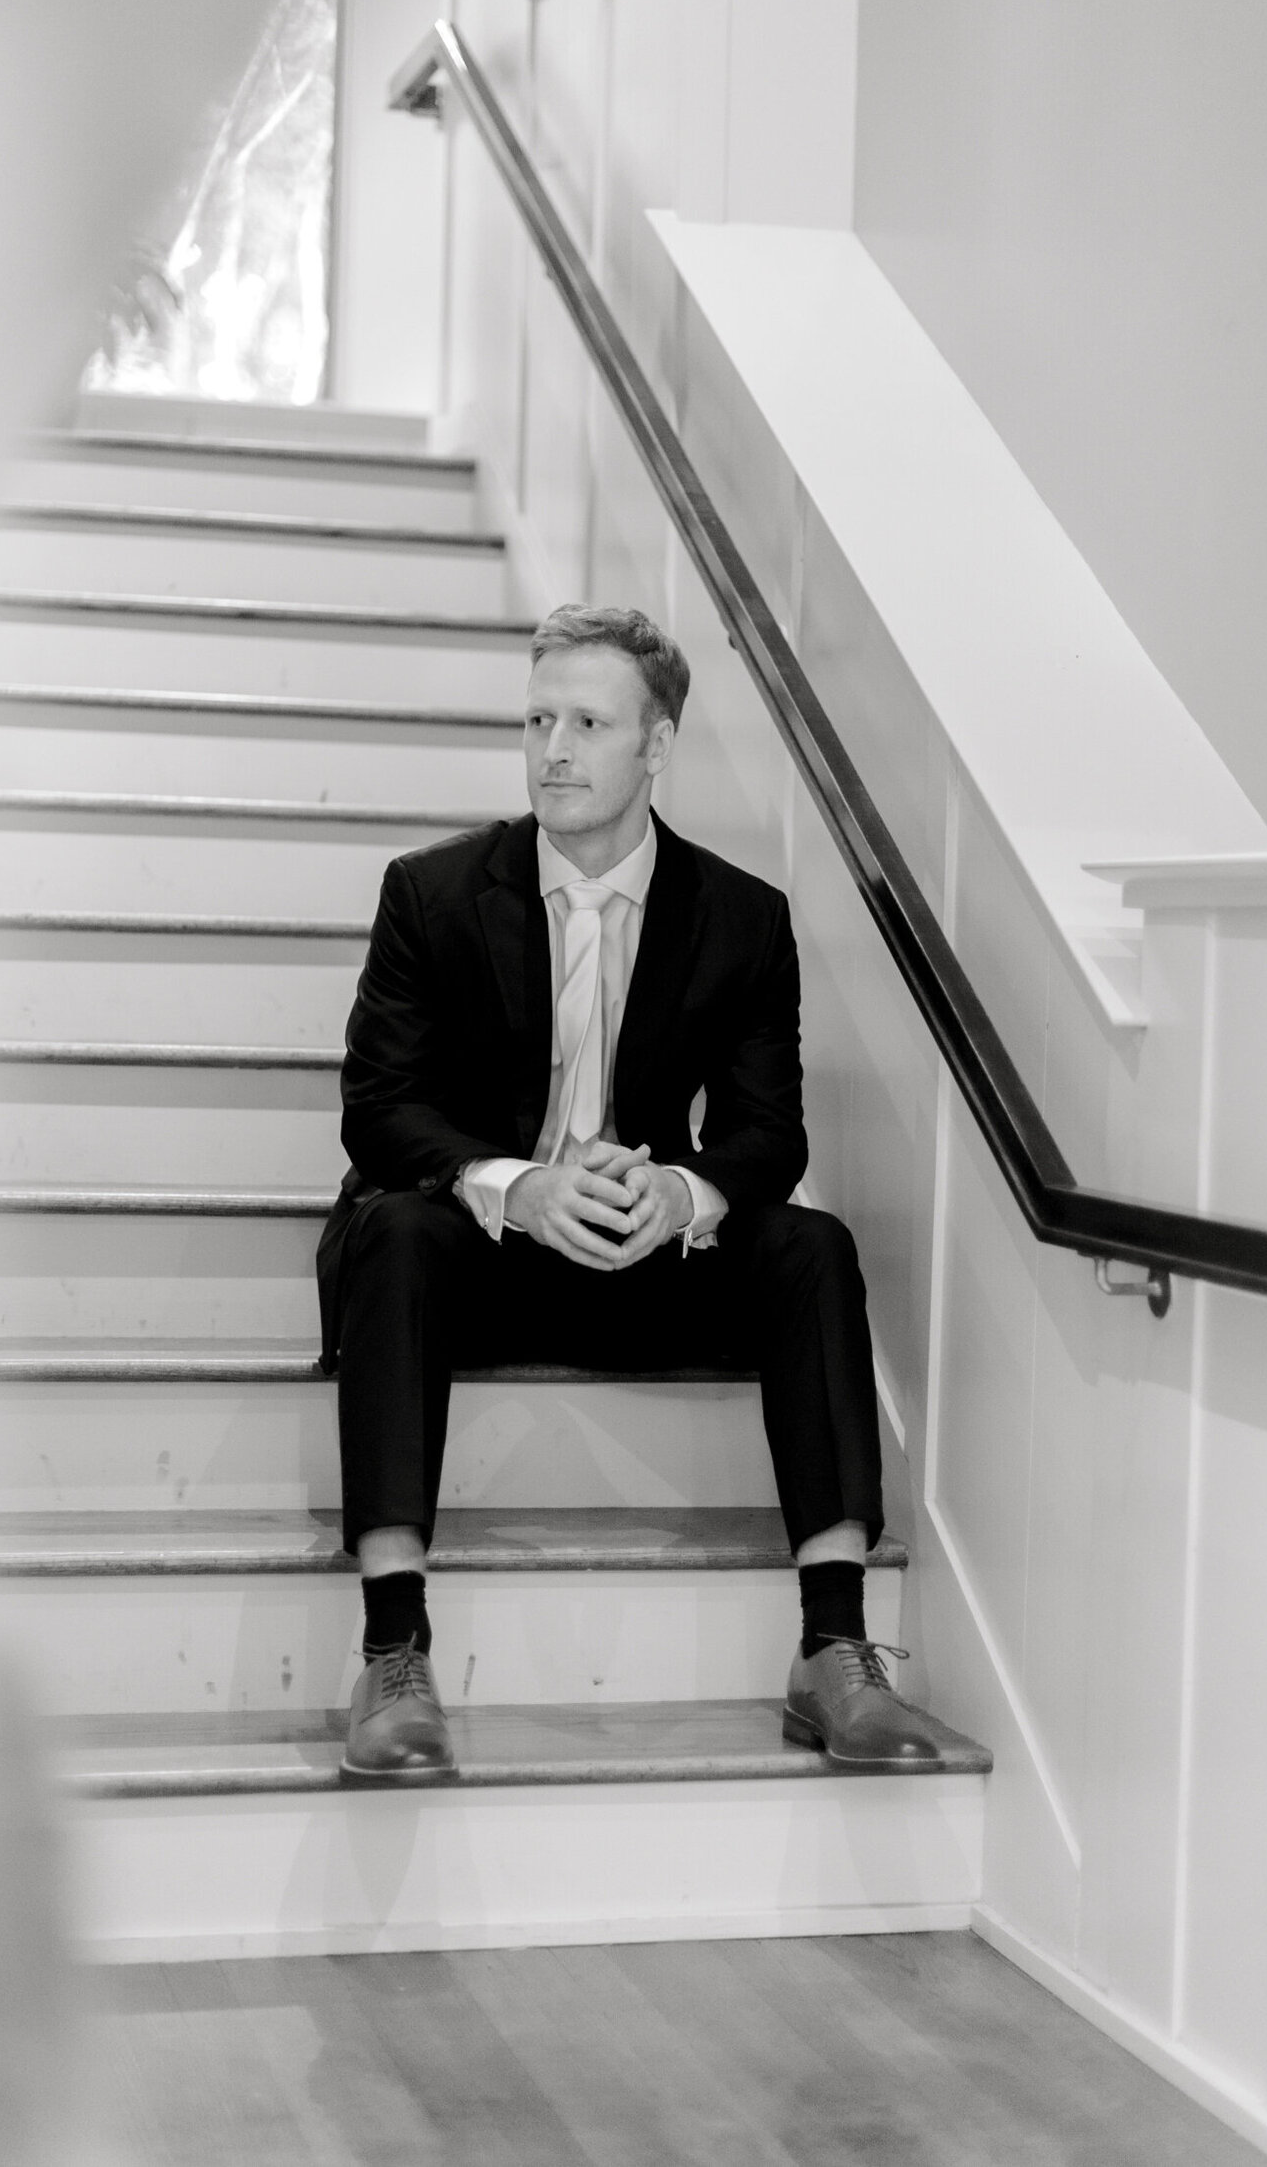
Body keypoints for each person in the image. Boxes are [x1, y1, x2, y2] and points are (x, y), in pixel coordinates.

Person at [315, 603, 942, 1781]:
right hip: (477, 1251)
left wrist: (681, 1192)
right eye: (538, 717)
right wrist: (515, 1181)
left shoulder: (742, 918)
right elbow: (379, 1106)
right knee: (394, 1227)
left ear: (655, 747)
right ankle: (393, 1652)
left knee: (811, 1245)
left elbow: (769, 1131)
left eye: (588, 722)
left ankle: (836, 1645)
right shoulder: (432, 892)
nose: (553, 746)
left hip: (639, 1251)